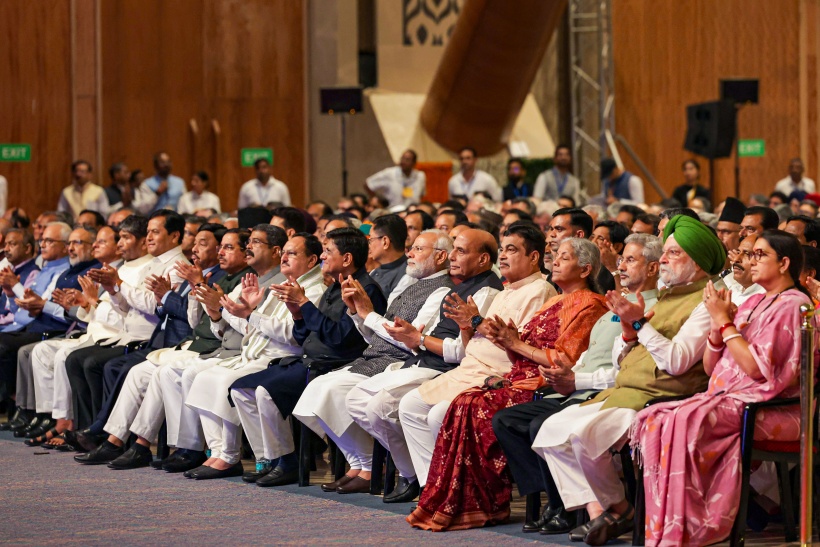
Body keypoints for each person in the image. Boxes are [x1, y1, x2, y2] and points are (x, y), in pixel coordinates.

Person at [531, 215, 727, 546]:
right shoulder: (668, 294)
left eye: (673, 254)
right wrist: (626, 332)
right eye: (664, 252)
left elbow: (677, 362)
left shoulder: (707, 300)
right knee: (549, 433)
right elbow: (621, 360)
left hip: (663, 397)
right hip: (626, 389)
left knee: (582, 437)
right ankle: (615, 509)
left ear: (697, 261)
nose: (664, 260)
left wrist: (639, 327)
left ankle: (616, 511)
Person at [406, 237, 607, 531]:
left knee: (474, 406)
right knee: (465, 403)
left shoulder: (590, 305)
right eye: (557, 256)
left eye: (564, 257)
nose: (557, 262)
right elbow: (519, 346)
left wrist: (511, 341)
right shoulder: (554, 301)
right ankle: (469, 501)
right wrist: (505, 339)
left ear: (586, 269)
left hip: (545, 384)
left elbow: (565, 359)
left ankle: (493, 501)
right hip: (518, 376)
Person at [631, 230, 809, 546]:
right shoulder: (754, 300)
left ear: (784, 263)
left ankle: (698, 525)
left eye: (759, 254)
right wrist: (717, 327)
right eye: (749, 254)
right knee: (655, 417)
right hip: (732, 398)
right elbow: (714, 367)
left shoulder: (794, 305)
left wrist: (723, 323)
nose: (750, 260)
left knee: (686, 419)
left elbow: (756, 369)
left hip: (775, 407)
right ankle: (667, 527)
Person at [493, 233, 661, 534]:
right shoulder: (611, 307)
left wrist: (568, 376)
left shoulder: (646, 306)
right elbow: (589, 357)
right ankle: (565, 503)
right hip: (575, 384)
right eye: (621, 260)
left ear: (654, 268)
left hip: (607, 390)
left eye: (630, 260)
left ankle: (581, 509)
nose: (620, 267)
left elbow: (618, 367)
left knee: (542, 427)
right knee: (507, 420)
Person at [346, 228, 506, 501]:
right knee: (356, 400)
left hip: (445, 367)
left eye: (461, 251)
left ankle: (425, 482)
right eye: (453, 249)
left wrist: (417, 338)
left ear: (483, 260)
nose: (453, 257)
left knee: (380, 406)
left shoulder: (486, 290)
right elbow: (424, 335)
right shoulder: (459, 286)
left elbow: (462, 351)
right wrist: (415, 337)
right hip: (421, 359)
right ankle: (416, 475)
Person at [291, 230, 454, 492]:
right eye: (411, 249)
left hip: (398, 359)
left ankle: (371, 465)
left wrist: (367, 313)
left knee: (335, 391)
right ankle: (358, 463)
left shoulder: (441, 289)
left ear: (441, 257)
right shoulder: (412, 284)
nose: (409, 254)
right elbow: (372, 334)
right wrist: (358, 313)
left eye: (418, 250)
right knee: (317, 390)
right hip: (375, 354)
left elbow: (410, 339)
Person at [397, 225, 552, 493]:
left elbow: (519, 344)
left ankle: (460, 490)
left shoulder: (541, 291)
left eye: (512, 250)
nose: (502, 256)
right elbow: (472, 347)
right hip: (469, 368)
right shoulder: (505, 291)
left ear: (534, 257)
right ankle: (431, 485)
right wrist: (467, 327)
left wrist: (476, 321)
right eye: (503, 250)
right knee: (410, 406)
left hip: (498, 373)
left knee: (437, 416)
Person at [224, 228, 387, 480]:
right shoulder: (334, 287)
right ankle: (268, 459)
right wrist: (298, 314)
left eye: (328, 251)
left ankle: (288, 462)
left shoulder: (365, 289)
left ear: (346, 259)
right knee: (241, 389)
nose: (323, 256)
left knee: (265, 392)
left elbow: (338, 339)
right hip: (307, 359)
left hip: (335, 363)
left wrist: (304, 305)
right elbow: (305, 337)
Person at [547, 208, 616, 293]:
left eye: (559, 229)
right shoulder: (555, 270)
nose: (552, 234)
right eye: (551, 229)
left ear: (579, 235)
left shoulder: (598, 274)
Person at [367, 214, 408, 298]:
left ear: (385, 242)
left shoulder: (407, 275)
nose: (369, 245)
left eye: (371, 239)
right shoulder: (373, 272)